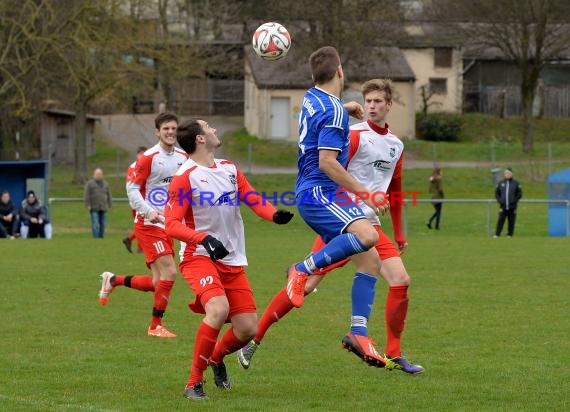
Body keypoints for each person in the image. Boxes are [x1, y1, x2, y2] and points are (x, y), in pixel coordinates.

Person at [237, 79, 424, 375]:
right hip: (341, 220)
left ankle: (395, 353)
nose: (372, 106)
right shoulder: (353, 135)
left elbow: (396, 191)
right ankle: (254, 339)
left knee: (400, 280)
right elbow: (330, 169)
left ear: (390, 105)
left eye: (378, 101)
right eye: (369, 100)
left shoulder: (395, 145)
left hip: (370, 226)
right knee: (307, 286)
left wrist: (399, 233)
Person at [164, 119, 294, 400]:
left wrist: (273, 214)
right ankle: (193, 383)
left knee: (248, 328)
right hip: (198, 256)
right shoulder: (184, 177)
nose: (214, 129)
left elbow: (252, 198)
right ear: (200, 139)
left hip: (231, 260)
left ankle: (216, 358)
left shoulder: (229, 169)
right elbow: (171, 224)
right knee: (218, 310)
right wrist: (204, 240)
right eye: (209, 127)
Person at [283, 46, 391, 368]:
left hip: (316, 191)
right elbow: (327, 162)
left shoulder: (313, 98)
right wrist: (365, 193)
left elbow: (324, 116)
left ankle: (358, 332)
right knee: (368, 236)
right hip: (320, 192)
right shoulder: (332, 111)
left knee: (371, 262)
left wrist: (346, 108)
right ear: (340, 71)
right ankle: (302, 268)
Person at [98, 112, 187, 338]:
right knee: (169, 273)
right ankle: (155, 326)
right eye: (165, 129)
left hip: (168, 224)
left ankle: (113, 280)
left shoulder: (182, 157)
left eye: (173, 129)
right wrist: (150, 212)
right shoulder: (148, 157)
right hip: (148, 224)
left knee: (158, 283)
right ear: (157, 132)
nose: (170, 132)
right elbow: (132, 190)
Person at [122, 146, 147, 253]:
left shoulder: (147, 165)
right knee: (141, 224)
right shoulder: (133, 167)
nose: (142, 156)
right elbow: (130, 184)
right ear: (137, 155)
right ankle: (133, 241)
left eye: (144, 154)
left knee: (142, 224)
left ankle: (138, 246)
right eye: (140, 154)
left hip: (145, 200)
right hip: (138, 201)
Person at [84, 168, 113, 238]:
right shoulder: (90, 184)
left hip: (103, 207)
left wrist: (110, 205)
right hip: (94, 207)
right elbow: (86, 195)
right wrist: (88, 205)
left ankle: (101, 236)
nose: (98, 175)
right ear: (94, 175)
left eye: (100, 174)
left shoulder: (106, 184)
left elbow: (109, 195)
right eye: (97, 174)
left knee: (103, 223)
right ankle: (96, 237)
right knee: (95, 223)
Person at [494, 167, 522, 238]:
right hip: (503, 206)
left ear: (511, 174)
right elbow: (497, 193)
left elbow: (519, 194)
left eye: (509, 173)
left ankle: (510, 234)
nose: (507, 175)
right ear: (504, 174)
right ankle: (497, 234)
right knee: (500, 220)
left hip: (512, 207)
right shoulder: (501, 183)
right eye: (506, 173)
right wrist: (500, 201)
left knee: (511, 221)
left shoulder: (516, 183)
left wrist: (514, 201)